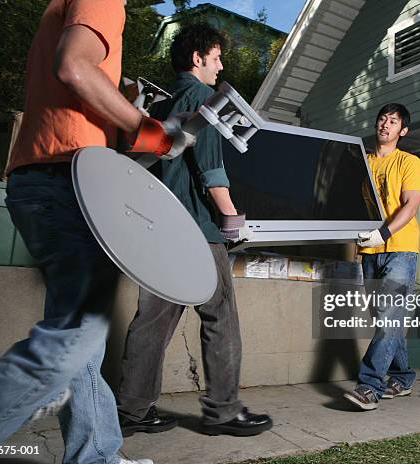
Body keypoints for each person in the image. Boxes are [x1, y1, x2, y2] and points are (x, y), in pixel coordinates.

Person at [0, 1, 193, 463]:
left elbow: (74, 79)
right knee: (71, 341)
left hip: (47, 178)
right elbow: (74, 68)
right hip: (63, 181)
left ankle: (97, 455)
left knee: (82, 340)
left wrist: (121, 98)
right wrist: (153, 133)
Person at [116, 23, 273, 438]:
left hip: (161, 224)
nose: (221, 66)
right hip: (198, 229)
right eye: (216, 57)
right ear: (197, 58)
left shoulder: (167, 100)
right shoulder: (204, 97)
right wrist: (231, 217)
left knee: (154, 319)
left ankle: (132, 409)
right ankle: (223, 411)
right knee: (220, 316)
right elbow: (209, 166)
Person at [343, 103, 420, 411]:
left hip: (400, 246)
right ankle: (402, 377)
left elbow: (410, 206)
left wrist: (384, 234)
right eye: (382, 119)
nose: (385, 124)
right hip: (369, 250)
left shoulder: (409, 162)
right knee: (385, 316)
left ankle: (370, 386)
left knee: (390, 315)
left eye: (393, 121)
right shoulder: (362, 163)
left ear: (402, 131)